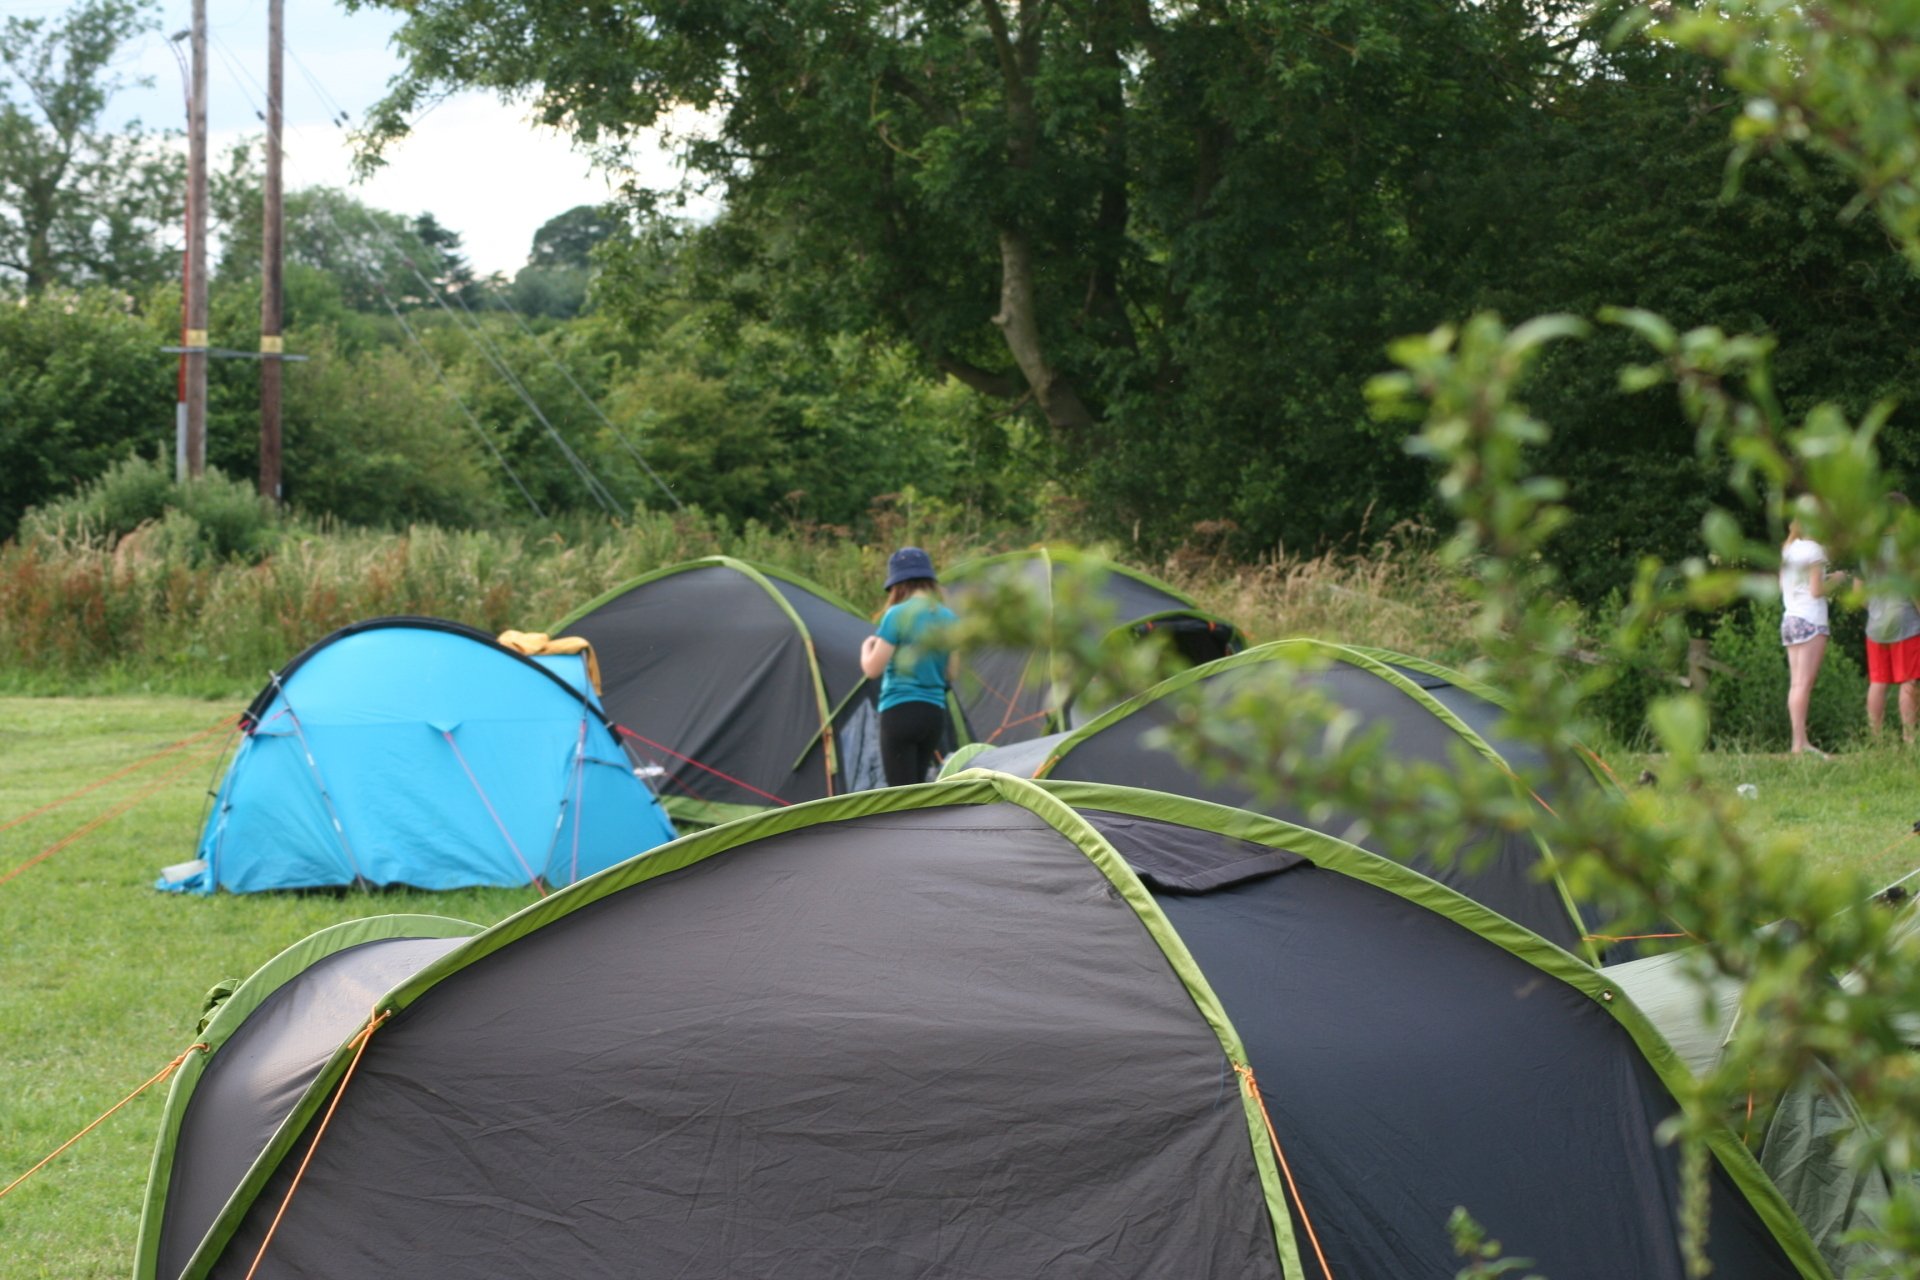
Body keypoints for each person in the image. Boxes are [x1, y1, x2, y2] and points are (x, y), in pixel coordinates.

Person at [861, 547, 958, 786]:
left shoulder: (897, 615)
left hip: (899, 711)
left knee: (901, 798)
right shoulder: (949, 618)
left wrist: (867, 647)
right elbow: (952, 673)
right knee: (918, 791)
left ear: (897, 584)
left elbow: (873, 669)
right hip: (933, 715)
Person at [1780, 518, 1848, 757]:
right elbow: (1817, 590)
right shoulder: (1815, 550)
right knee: (1804, 685)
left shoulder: (1789, 549)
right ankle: (1801, 744)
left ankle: (1798, 741)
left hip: (1790, 619)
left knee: (1796, 684)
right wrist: (1836, 580)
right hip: (1811, 619)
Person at [1864, 493, 1920, 743]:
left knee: (1878, 682)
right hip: (1906, 621)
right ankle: (1910, 740)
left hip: (1875, 624)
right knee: (1908, 681)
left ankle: (1875, 740)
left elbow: (1859, 594)